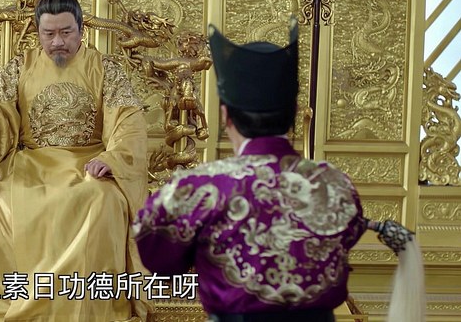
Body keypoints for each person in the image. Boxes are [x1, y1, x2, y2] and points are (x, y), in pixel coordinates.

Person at [132, 19, 425, 322]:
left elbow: (158, 257)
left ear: (225, 116)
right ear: (294, 114)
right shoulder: (334, 184)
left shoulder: (201, 186)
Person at [0, 0, 150, 321]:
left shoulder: (105, 69)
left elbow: (128, 122)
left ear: (81, 30)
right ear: (37, 32)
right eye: (48, 34)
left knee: (102, 199)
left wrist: (112, 159)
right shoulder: (20, 67)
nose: (58, 42)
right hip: (30, 162)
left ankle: (80, 305)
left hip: (87, 163)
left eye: (66, 32)